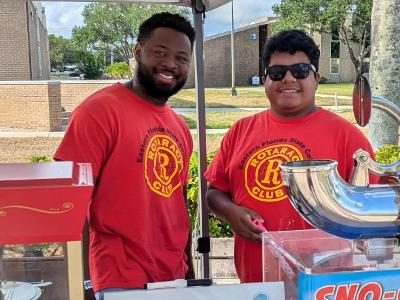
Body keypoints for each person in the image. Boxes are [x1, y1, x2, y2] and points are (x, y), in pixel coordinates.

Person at [204, 29, 376, 283]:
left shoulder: (347, 137)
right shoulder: (240, 131)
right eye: (277, 73)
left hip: (325, 285)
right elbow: (214, 192)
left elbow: (372, 210)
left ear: (316, 78)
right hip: (255, 284)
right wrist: (231, 213)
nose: (288, 79)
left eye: (300, 71)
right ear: (265, 80)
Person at [54, 12, 196, 299]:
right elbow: (71, 203)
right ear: (138, 52)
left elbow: (177, 202)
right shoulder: (98, 112)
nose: (170, 64)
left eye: (182, 58)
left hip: (172, 275)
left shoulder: (180, 126)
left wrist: (188, 268)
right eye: (160, 52)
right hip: (118, 277)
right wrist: (84, 283)